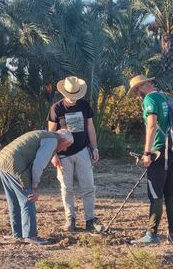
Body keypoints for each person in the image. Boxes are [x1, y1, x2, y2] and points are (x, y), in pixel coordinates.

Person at [127, 75, 173, 244]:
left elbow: (152, 125)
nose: (138, 95)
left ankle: (151, 234)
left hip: (160, 151)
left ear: (144, 86)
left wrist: (147, 152)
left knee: (155, 193)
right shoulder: (165, 97)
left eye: (137, 90)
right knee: (170, 193)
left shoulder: (150, 99)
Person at [0, 129, 74, 245]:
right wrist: (35, 187)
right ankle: (31, 235)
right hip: (15, 165)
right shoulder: (52, 141)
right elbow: (38, 165)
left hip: (2, 162)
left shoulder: (45, 134)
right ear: (63, 139)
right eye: (68, 145)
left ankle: (18, 234)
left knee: (14, 201)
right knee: (29, 199)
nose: (65, 149)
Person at [47, 76, 103, 233]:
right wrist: (53, 154)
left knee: (88, 186)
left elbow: (90, 127)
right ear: (64, 92)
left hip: (82, 151)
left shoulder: (84, 105)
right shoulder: (56, 108)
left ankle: (90, 219)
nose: (73, 99)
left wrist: (95, 147)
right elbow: (51, 133)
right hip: (63, 155)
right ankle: (70, 219)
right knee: (66, 188)